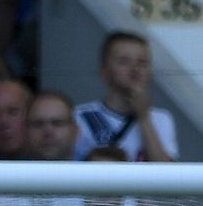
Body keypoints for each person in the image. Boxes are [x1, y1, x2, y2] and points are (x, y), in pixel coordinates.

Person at [73, 31, 177, 163]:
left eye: (142, 62)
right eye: (124, 61)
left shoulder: (161, 119)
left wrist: (144, 118)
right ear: (104, 71)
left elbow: (165, 173)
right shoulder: (80, 117)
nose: (135, 69)